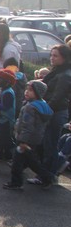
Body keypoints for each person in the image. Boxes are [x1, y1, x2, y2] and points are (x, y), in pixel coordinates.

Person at [3, 80, 54, 190]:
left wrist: (23, 141)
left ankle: (16, 183)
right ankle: (47, 177)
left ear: (38, 92)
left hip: (25, 139)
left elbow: (27, 126)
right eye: (27, 89)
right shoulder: (42, 105)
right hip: (35, 139)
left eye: (30, 90)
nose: (26, 92)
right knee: (31, 161)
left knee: (17, 162)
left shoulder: (30, 107)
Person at [37, 44, 71, 181]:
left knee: (50, 145)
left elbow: (57, 97)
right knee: (47, 144)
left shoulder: (65, 75)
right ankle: (46, 174)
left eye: (56, 56)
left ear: (64, 57)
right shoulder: (57, 71)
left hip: (55, 113)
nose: (52, 58)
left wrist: (43, 111)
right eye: (51, 55)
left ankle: (47, 176)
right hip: (52, 111)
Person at [0, 23, 21, 89]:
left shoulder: (9, 49)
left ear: (1, 34)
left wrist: (3, 81)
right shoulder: (4, 46)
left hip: (4, 83)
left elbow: (9, 68)